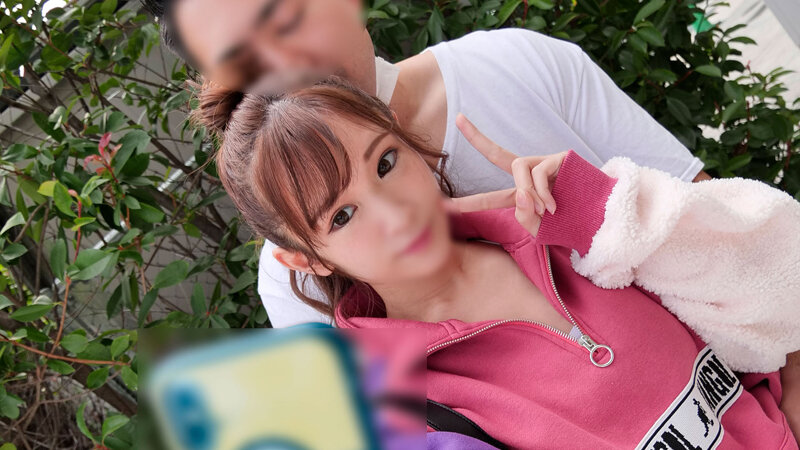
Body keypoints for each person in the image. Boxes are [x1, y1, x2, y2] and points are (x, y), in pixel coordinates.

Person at [196, 76, 800, 448]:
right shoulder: (398, 410)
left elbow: (779, 284)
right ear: (305, 259)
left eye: (385, 163)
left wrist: (610, 213)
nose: (395, 212)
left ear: (406, 138)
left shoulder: (564, 225)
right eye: (342, 216)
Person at [142, 0, 712, 327]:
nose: (292, 60)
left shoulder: (514, 66)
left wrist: (596, 207)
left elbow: (729, 228)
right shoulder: (298, 272)